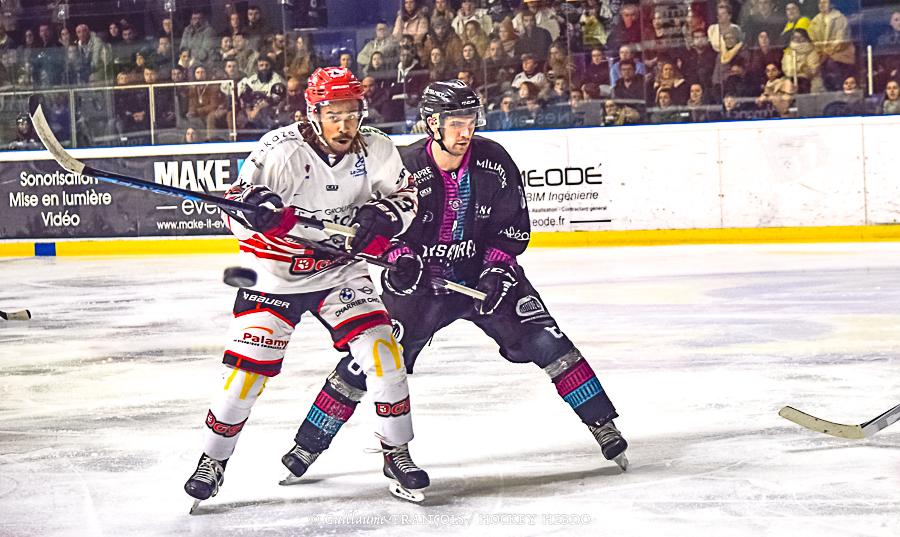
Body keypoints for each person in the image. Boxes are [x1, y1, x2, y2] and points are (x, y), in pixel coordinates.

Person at [284, 79, 630, 485]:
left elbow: (512, 226)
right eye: (455, 123)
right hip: (422, 286)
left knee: (548, 340)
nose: (465, 132)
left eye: (470, 121)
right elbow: (379, 227)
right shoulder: (403, 165)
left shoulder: (494, 160)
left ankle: (603, 424)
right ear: (432, 123)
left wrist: (497, 270)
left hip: (483, 278)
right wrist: (400, 259)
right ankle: (312, 445)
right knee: (372, 359)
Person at [183, 67, 428, 507]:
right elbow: (234, 207)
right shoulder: (280, 150)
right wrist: (255, 211)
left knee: (384, 355)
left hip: (339, 272)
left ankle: (397, 453)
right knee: (244, 376)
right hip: (274, 274)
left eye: (351, 114)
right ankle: (212, 460)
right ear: (314, 114)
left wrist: (386, 216)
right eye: (334, 115)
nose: (344, 125)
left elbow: (407, 198)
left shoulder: (376, 147)